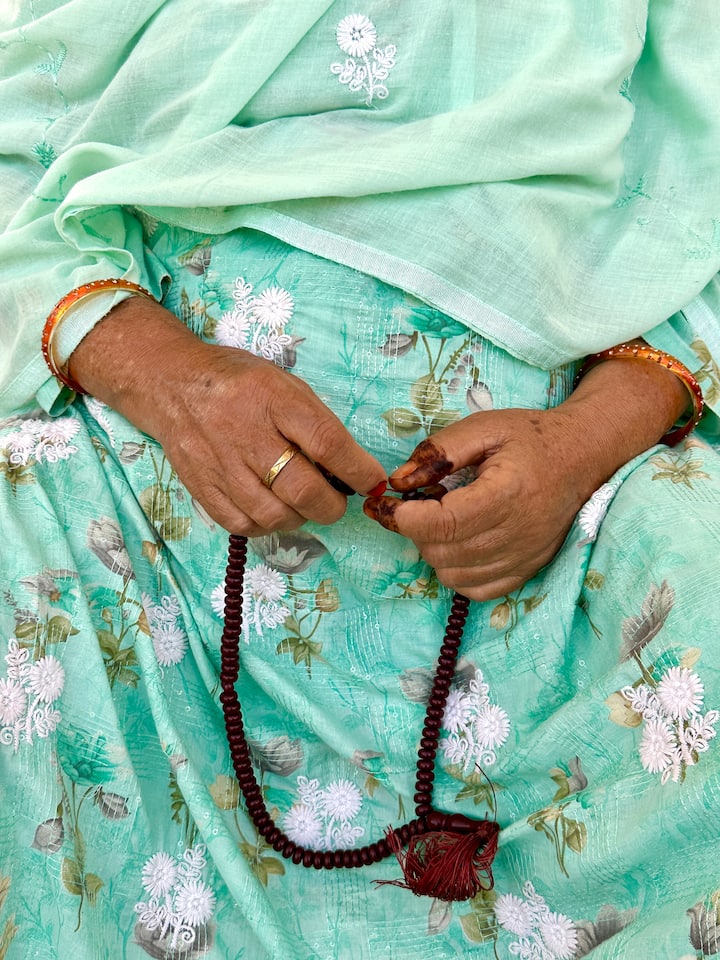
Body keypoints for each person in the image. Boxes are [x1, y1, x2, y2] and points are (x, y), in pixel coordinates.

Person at [1, 1, 720, 957]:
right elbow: (23, 135)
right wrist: (175, 383)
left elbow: (699, 197)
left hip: (570, 516)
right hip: (140, 490)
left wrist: (578, 443)